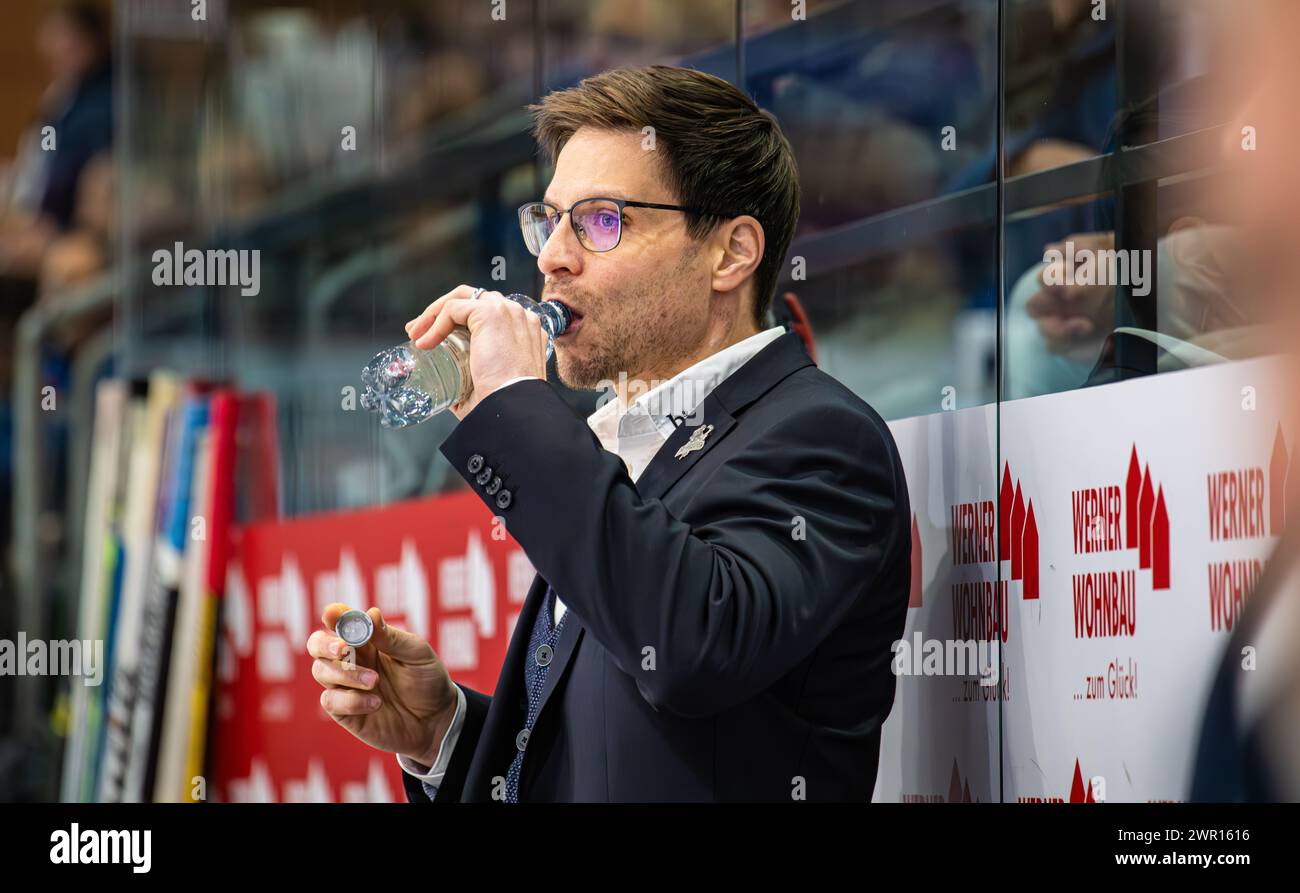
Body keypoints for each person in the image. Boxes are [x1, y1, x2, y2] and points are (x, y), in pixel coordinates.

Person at [306, 65, 912, 802]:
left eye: (600, 221)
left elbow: (692, 648)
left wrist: (518, 406)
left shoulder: (820, 435)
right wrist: (446, 734)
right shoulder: (627, 447)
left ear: (730, 253)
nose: (552, 256)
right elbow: (609, 760)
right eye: (550, 219)